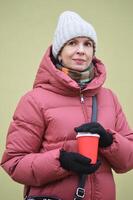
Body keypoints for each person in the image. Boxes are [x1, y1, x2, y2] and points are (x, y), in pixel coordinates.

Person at [1, 10, 133, 200]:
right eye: (72, 43)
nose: (81, 50)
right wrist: (60, 161)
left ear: (93, 53)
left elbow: (128, 160)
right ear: (59, 53)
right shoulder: (34, 100)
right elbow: (14, 163)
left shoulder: (109, 98)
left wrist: (109, 142)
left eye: (87, 44)